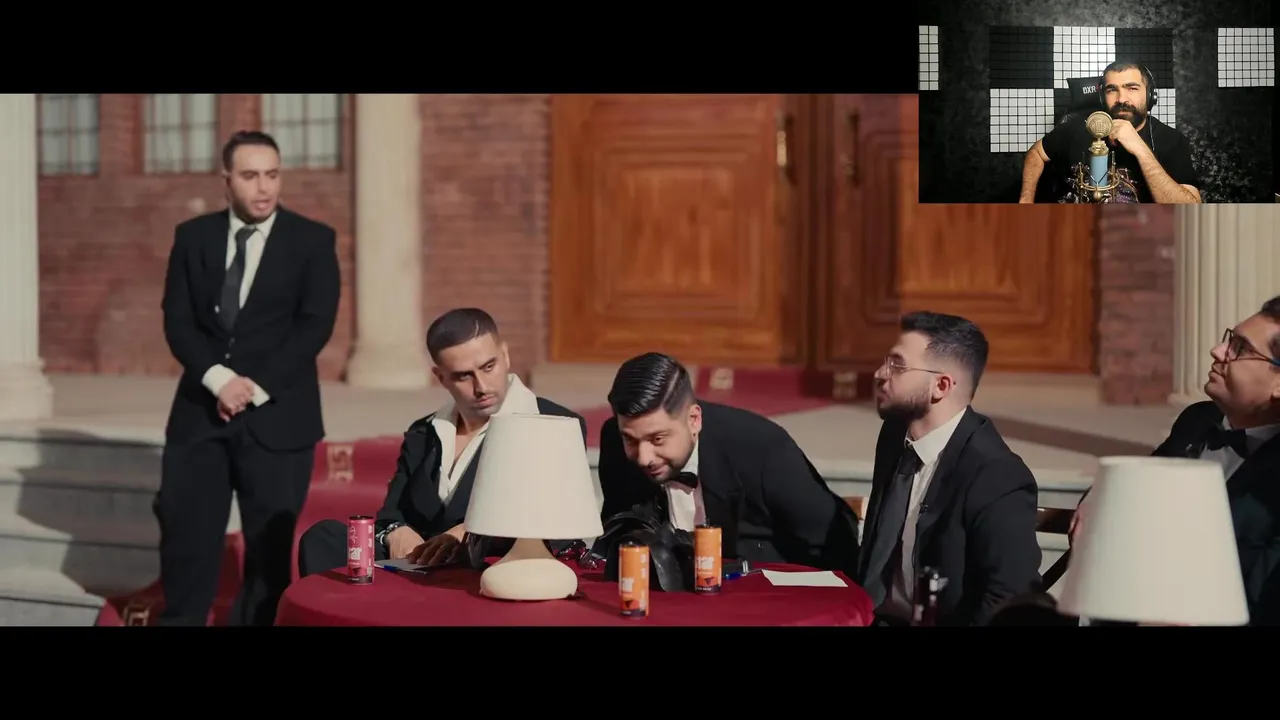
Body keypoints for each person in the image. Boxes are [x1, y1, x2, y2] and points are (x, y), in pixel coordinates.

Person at [154, 130, 340, 625]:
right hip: (200, 416)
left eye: (272, 175)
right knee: (186, 541)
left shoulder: (313, 240)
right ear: (226, 180)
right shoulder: (192, 237)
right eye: (251, 175)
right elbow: (178, 321)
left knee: (268, 556)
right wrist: (219, 380)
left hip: (279, 417)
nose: (264, 187)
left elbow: (314, 326)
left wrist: (251, 388)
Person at [296, 308, 586, 577]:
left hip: (491, 567)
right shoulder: (424, 432)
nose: (481, 387)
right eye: (463, 376)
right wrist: (396, 531)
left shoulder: (555, 424)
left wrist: (472, 532)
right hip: (418, 565)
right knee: (323, 537)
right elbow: (390, 514)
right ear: (441, 377)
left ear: (506, 356)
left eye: (488, 367)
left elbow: (555, 521)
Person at [1048, 296, 1280, 625]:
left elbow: (1261, 592)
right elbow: (1139, 483)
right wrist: (1097, 498)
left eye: (1240, 348)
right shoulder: (1197, 420)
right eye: (1229, 339)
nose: (1217, 351)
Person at [596, 352, 860, 576]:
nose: (643, 457)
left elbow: (836, 541)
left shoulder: (762, 449)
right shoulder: (614, 441)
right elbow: (618, 531)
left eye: (658, 439)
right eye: (630, 439)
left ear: (694, 420)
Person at [856, 311, 1042, 626]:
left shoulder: (997, 475)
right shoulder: (894, 435)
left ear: (940, 385)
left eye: (897, 365)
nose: (880, 373)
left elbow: (1008, 598)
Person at [1018, 60, 1201, 204]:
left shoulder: (1171, 140)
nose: (1121, 99)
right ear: (1101, 97)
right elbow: (1036, 153)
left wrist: (1140, 149)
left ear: (1150, 95)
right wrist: (1026, 200)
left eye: (1132, 88)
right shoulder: (1077, 128)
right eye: (1112, 90)